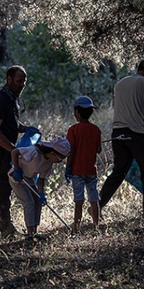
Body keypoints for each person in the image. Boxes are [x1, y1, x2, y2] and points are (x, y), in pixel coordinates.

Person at [98, 58, 144, 216]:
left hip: (118, 133)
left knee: (118, 172)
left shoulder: (120, 83)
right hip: (137, 134)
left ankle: (97, 206)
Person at [0, 65, 33, 238]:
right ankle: (6, 229)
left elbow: (11, 124)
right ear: (9, 80)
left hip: (2, 152)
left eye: (24, 81)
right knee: (3, 188)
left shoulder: (12, 99)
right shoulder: (0, 100)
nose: (22, 84)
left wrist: (26, 129)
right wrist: (13, 149)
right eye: (18, 81)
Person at [9, 137, 71, 240]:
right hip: (17, 179)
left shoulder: (49, 162)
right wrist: (16, 169)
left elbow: (41, 179)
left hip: (29, 180)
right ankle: (29, 234)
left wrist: (41, 194)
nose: (61, 161)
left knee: (37, 202)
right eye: (61, 158)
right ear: (52, 153)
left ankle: (35, 231)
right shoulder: (34, 152)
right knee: (29, 202)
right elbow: (15, 152)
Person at [65, 96, 102, 231]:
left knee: (78, 200)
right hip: (91, 170)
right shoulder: (96, 130)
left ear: (77, 113)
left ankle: (76, 226)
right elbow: (98, 150)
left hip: (77, 170)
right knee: (94, 199)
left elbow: (70, 151)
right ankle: (96, 226)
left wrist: (68, 168)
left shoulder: (73, 130)